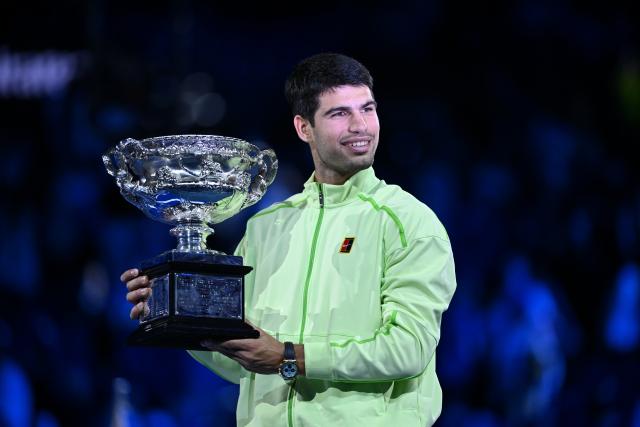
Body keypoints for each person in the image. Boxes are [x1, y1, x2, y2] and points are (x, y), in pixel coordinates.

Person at [121, 53, 457, 426]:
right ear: (303, 128)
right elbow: (244, 364)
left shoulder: (407, 221)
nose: (361, 125)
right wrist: (180, 314)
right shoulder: (267, 227)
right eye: (339, 114)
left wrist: (289, 357)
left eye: (367, 109)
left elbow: (408, 350)